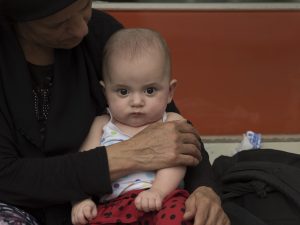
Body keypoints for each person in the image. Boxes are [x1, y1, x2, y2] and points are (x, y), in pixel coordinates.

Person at [0, 0, 230, 225]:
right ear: (17, 21)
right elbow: (7, 177)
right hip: (29, 206)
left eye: (85, 8)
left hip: (136, 202)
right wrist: (127, 155)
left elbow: (174, 133)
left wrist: (204, 189)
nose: (81, 28)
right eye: (57, 24)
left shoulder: (101, 33)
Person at [72, 28, 191, 225]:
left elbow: (178, 160)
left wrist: (158, 191)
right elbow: (83, 166)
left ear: (170, 91)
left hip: (164, 199)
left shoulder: (172, 121)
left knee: (179, 215)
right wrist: (80, 200)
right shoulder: (102, 124)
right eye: (123, 91)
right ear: (105, 92)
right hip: (113, 206)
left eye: (150, 90)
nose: (137, 101)